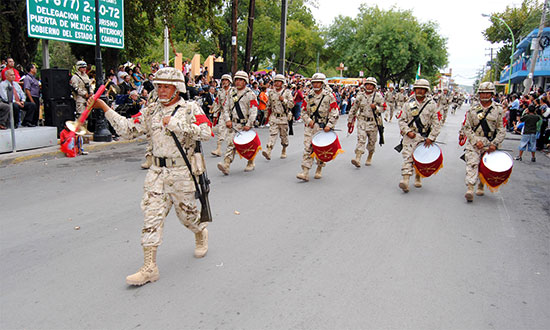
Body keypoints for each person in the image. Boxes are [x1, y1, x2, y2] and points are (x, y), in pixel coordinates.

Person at [90, 67, 212, 286]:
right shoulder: (151, 110)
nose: (162, 90)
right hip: (156, 173)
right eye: (159, 86)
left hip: (182, 172)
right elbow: (128, 129)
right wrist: (105, 108)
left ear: (177, 88)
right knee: (151, 218)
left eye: (167, 86)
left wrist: (177, 125)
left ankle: (200, 231)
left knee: (188, 217)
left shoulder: (190, 108)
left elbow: (206, 132)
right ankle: (149, 268)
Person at [462, 82, 506, 202]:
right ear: (479, 94)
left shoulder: (498, 110)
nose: (485, 95)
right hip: (475, 141)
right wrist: (475, 141)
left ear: (492, 94)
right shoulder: (473, 109)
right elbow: (467, 127)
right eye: (482, 93)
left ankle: (481, 185)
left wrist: (495, 143)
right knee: (472, 163)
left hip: (490, 141)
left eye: (488, 93)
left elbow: (501, 129)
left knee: (485, 165)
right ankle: (470, 188)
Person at [397, 79, 442, 192]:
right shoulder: (408, 103)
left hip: (424, 137)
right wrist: (407, 131)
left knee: (420, 159)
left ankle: (418, 176)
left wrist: (431, 138)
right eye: (418, 88)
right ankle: (405, 180)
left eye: (423, 89)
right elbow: (401, 120)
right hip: (410, 135)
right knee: (407, 158)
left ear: (426, 90)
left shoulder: (432, 105)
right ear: (414, 89)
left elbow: (437, 123)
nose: (420, 91)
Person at [296, 73, 339, 181]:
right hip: (311, 126)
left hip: (323, 127)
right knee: (307, 148)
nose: (315, 84)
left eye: (318, 82)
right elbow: (303, 111)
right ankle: (305, 171)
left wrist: (329, 125)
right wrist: (308, 120)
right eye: (314, 82)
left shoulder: (329, 96)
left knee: (321, 149)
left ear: (322, 83)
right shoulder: (308, 96)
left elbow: (334, 112)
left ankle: (319, 167)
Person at [217, 71, 258, 174]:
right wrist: (227, 119)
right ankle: (226, 164)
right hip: (234, 124)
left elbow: (254, 110)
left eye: (241, 80)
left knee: (247, 146)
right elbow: (225, 107)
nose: (238, 82)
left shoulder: (250, 94)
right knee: (231, 144)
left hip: (245, 124)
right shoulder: (231, 93)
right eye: (237, 80)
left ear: (245, 82)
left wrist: (249, 124)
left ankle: (250, 162)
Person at [348, 77, 385, 167]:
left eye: (371, 85)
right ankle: (358, 158)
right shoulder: (360, 96)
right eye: (367, 84)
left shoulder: (378, 96)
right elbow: (354, 108)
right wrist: (350, 120)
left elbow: (383, 108)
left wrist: (376, 108)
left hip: (373, 122)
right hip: (362, 121)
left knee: (372, 142)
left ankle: (370, 155)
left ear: (374, 86)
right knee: (361, 140)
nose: (369, 86)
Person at [262, 74, 294, 160]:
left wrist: (284, 100)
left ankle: (284, 149)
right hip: (274, 117)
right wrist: (266, 115)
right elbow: (268, 104)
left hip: (283, 117)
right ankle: (268, 149)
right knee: (272, 134)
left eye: (278, 81)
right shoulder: (271, 92)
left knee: (284, 136)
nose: (276, 83)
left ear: (282, 83)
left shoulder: (287, 92)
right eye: (275, 81)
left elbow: (291, 105)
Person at [210, 74, 232, 157]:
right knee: (220, 130)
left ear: (229, 81)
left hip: (232, 113)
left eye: (226, 80)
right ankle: (218, 149)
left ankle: (235, 147)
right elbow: (218, 103)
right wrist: (215, 113)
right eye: (223, 80)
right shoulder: (220, 91)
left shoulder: (233, 91)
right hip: (223, 113)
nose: (224, 82)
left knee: (232, 132)